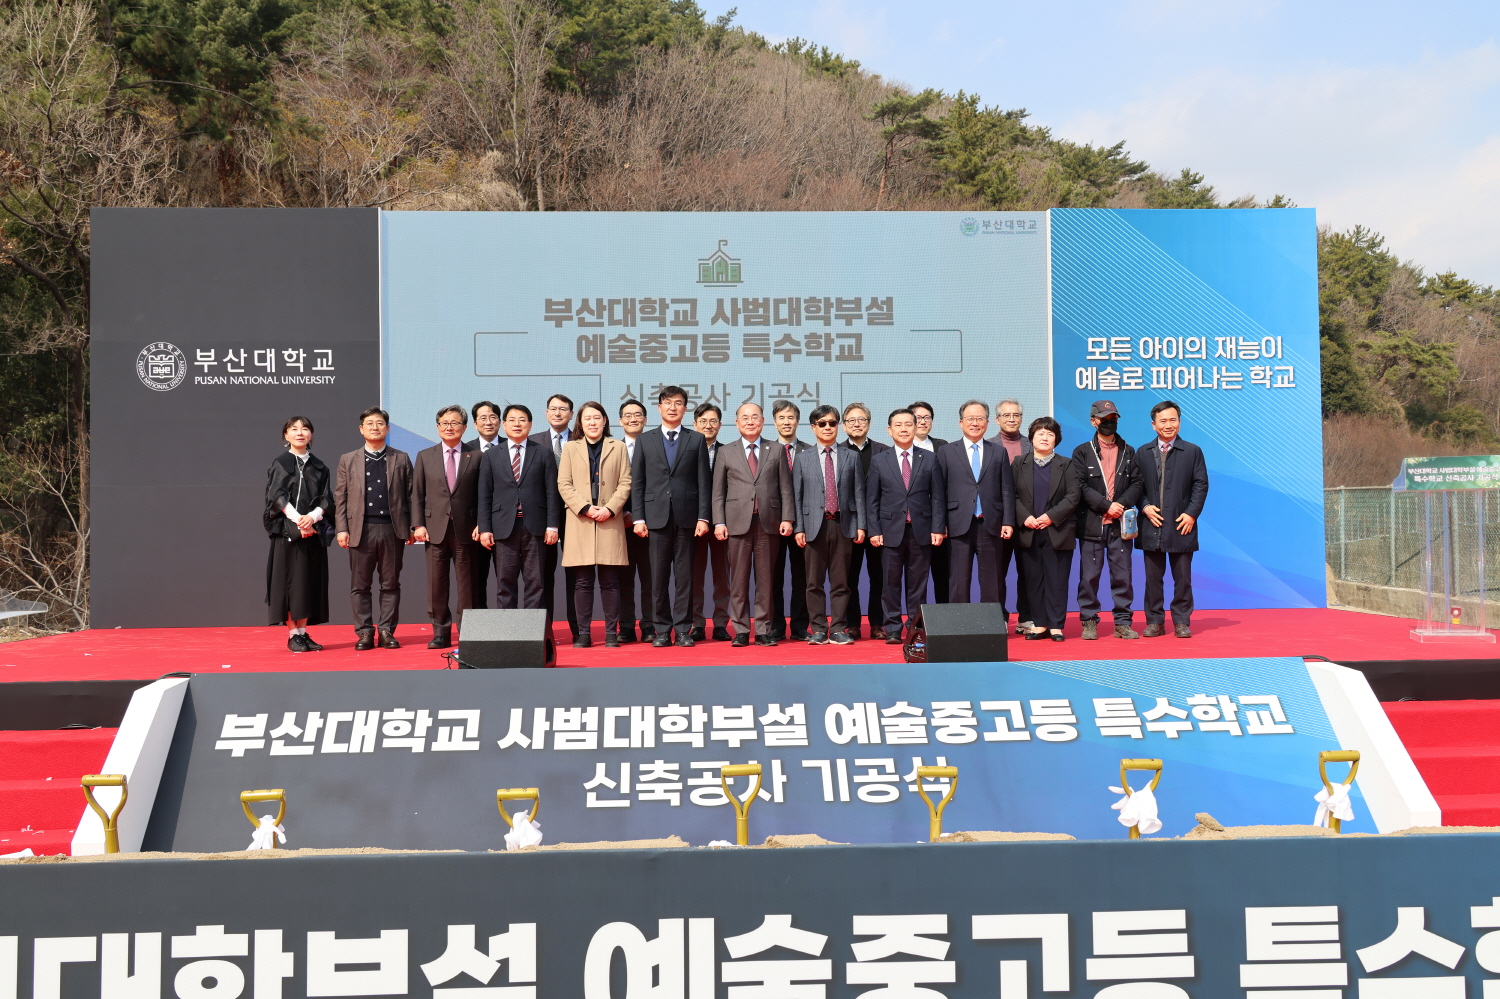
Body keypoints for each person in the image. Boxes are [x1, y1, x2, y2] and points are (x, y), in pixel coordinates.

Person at [630, 385, 712, 647]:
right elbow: (638, 483)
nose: (673, 407)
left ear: (685, 409)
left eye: (678, 403)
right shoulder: (645, 439)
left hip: (688, 518)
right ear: (659, 408)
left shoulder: (696, 439)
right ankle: (662, 629)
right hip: (655, 518)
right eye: (667, 403)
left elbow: (703, 482)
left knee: (685, 577)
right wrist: (638, 518)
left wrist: (703, 517)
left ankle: (684, 629)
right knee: (658, 577)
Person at [713, 402, 794, 647]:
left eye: (755, 417)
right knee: (737, 581)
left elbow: (785, 489)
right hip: (737, 524)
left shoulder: (777, 449)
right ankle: (740, 630)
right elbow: (718, 492)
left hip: (768, 523)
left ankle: (762, 630)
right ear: (736, 423)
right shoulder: (726, 451)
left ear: (763, 422)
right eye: (744, 418)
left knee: (766, 581)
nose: (750, 421)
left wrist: (788, 518)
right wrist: (719, 521)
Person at [334, 407, 413, 650]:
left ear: (388, 429)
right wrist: (341, 528)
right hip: (360, 529)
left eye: (380, 423)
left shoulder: (400, 458)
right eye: (370, 423)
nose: (375, 427)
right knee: (360, 585)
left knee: (390, 584)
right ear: (361, 429)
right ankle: (365, 632)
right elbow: (341, 497)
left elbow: (411, 495)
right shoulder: (348, 459)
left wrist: (413, 526)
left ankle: (387, 630)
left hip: (392, 529)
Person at [866, 408, 946, 644]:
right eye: (898, 425)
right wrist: (875, 530)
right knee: (889, 583)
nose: (904, 429)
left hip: (921, 531)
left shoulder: (930, 458)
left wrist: (937, 528)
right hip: (889, 532)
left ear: (916, 427)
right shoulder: (880, 460)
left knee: (917, 585)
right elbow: (872, 500)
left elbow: (938, 498)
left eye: (908, 424)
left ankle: (915, 627)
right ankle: (892, 627)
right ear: (889, 430)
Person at [556, 401, 631, 648]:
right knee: (583, 582)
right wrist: (586, 508)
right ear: (580, 422)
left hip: (610, 519)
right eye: (587, 418)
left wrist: (609, 509)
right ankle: (584, 634)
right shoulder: (570, 448)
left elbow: (625, 482)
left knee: (610, 581)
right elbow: (564, 484)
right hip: (581, 521)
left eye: (597, 417)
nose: (592, 422)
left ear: (605, 421)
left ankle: (611, 633)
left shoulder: (618, 447)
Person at [793, 405, 867, 645]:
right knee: (813, 582)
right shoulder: (803, 458)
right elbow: (797, 495)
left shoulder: (851, 456)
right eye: (822, 423)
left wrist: (861, 525)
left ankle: (837, 628)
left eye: (832, 423)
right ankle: (817, 628)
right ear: (813, 427)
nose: (827, 427)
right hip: (814, 526)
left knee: (841, 582)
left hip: (843, 526)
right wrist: (799, 528)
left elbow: (858, 493)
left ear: (838, 426)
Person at [411, 405, 484, 649]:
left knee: (467, 586)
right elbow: (416, 495)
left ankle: (468, 633)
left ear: (464, 427)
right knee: (437, 584)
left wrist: (482, 523)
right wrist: (418, 524)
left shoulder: (476, 455)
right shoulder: (425, 455)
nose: (449, 427)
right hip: (434, 529)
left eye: (455, 423)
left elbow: (484, 494)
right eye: (444, 423)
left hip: (467, 529)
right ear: (437, 427)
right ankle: (440, 632)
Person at [1136, 400, 1209, 638]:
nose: (1168, 425)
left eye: (1173, 420)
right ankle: (1155, 621)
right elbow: (1136, 486)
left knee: (1183, 578)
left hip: (1181, 523)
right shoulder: (1143, 452)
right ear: (1153, 425)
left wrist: (1191, 514)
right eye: (1163, 421)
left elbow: (1201, 485)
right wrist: (1145, 506)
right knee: (1152, 579)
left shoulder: (1192, 451)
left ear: (1179, 422)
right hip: (1152, 523)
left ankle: (1181, 620)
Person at [1072, 399, 1144, 641]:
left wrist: (1119, 506)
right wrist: (1105, 506)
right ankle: (1089, 621)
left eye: (1113, 418)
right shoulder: (1082, 452)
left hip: (1120, 525)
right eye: (1104, 419)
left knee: (1123, 576)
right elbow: (1079, 486)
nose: (1110, 423)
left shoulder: (1129, 451)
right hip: (1092, 524)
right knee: (1089, 577)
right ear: (1093, 421)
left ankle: (1123, 622)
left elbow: (1137, 483)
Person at [478, 404, 560, 611]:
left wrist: (553, 526)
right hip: (503, 527)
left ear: (530, 425)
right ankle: (507, 634)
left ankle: (532, 634)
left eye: (522, 420)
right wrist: (485, 527)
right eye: (512, 420)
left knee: (536, 582)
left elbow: (552, 492)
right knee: (505, 582)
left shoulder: (543, 453)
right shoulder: (491, 455)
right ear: (503, 425)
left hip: (535, 526)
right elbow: (485, 494)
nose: (517, 424)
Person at [265, 415, 333, 652]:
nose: (300, 432)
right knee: (292, 585)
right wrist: (300, 522)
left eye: (305, 429)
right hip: (288, 534)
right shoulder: (281, 463)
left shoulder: (319, 466)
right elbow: (277, 498)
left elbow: (326, 498)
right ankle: (293, 634)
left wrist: (313, 518)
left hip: (312, 532)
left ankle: (303, 633)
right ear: (286, 435)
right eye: (294, 429)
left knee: (308, 584)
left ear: (311, 434)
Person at [938, 400, 1014, 606]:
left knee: (992, 581)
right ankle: (960, 626)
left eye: (980, 418)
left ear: (988, 423)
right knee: (958, 581)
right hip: (957, 525)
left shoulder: (998, 452)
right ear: (960, 422)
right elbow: (939, 492)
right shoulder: (946, 452)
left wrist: (1008, 521)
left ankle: (991, 626)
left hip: (991, 524)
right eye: (970, 418)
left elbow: (1006, 488)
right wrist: (940, 523)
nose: (975, 423)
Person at [1011, 416, 1081, 642]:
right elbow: (1010, 495)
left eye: (1050, 434)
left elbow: (1073, 496)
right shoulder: (1019, 464)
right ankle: (1040, 623)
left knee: (1057, 580)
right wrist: (1026, 517)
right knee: (1033, 580)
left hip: (1058, 531)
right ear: (1031, 437)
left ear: (1056, 439)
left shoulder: (1067, 464)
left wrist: (1050, 517)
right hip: (1029, 531)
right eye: (1040, 433)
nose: (1045, 437)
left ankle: (1056, 625)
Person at [533, 394, 579, 641]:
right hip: (542, 518)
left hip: (576, 516)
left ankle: (578, 630)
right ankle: (544, 631)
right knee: (542, 575)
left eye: (564, 409)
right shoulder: (533, 442)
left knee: (575, 576)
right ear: (546, 413)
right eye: (553, 409)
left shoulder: (582, 440)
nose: (558, 413)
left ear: (571, 414)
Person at [840, 403, 888, 638]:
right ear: (844, 425)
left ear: (869, 423)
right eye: (851, 420)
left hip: (879, 524)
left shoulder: (884, 451)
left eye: (862, 420)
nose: (857, 424)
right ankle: (853, 624)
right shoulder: (836, 451)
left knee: (879, 575)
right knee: (849, 577)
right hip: (847, 524)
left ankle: (878, 623)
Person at [990, 398, 1034, 634]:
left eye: (1016, 415)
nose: (1011, 419)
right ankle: (1000, 617)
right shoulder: (989, 446)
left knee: (1027, 572)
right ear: (997, 420)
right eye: (1006, 415)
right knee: (997, 573)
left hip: (1028, 520)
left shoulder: (1033, 445)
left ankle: (1026, 617)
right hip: (998, 521)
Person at [770, 399, 812, 640]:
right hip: (773, 524)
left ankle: (799, 626)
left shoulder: (809, 450)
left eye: (791, 418)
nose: (787, 422)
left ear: (798, 421)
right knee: (773, 578)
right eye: (782, 418)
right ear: (774, 422)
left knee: (802, 577)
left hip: (804, 525)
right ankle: (775, 626)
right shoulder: (767, 450)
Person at [691, 402, 731, 641]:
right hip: (693, 523)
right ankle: (696, 624)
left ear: (720, 424)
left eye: (713, 421)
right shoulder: (686, 451)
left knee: (722, 577)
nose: (708, 425)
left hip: (722, 523)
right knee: (694, 576)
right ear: (695, 424)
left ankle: (720, 624)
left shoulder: (728, 452)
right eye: (703, 421)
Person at [615, 399, 654, 644]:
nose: (633, 419)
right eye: (627, 415)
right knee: (623, 579)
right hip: (618, 523)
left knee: (651, 579)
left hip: (650, 524)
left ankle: (650, 625)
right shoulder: (612, 447)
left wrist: (641, 516)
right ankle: (626, 626)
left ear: (645, 419)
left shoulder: (655, 446)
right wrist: (624, 513)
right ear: (620, 421)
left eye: (638, 414)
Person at [910, 401, 952, 605]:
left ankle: (944, 619)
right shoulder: (897, 450)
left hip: (938, 521)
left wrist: (942, 521)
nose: (922, 421)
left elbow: (947, 486)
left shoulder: (943, 447)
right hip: (911, 522)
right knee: (916, 577)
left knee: (943, 573)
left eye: (927, 417)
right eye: (917, 418)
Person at [467, 401, 503, 609]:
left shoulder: (512, 447)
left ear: (500, 421)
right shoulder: (466, 450)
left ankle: (507, 629)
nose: (488, 422)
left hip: (506, 524)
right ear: (474, 423)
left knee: (505, 581)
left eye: (493, 417)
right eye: (483, 418)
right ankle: (480, 631)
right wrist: (481, 522)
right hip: (474, 528)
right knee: (476, 581)